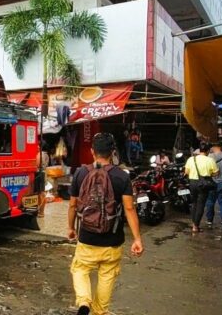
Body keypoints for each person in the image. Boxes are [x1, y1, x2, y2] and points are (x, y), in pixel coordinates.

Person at [67, 132, 143, 315]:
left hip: (87, 237)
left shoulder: (80, 173)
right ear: (113, 152)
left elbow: (72, 205)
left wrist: (70, 228)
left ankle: (84, 301)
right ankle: (99, 311)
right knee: (107, 275)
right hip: (113, 241)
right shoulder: (122, 177)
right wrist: (137, 239)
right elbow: (129, 209)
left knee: (80, 269)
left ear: (92, 151)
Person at [185, 143, 218, 232]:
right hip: (204, 184)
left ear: (199, 150)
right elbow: (216, 173)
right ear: (207, 151)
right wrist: (208, 174)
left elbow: (186, 172)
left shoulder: (191, 159)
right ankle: (196, 226)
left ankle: (194, 223)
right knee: (201, 204)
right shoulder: (210, 160)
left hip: (192, 182)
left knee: (194, 203)